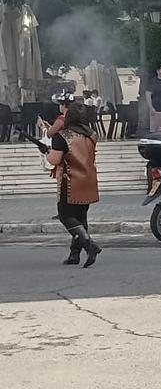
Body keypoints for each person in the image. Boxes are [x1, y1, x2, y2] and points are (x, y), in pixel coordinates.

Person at [44, 102, 102, 267]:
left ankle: (90, 245)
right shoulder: (92, 134)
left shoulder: (62, 136)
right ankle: (74, 255)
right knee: (80, 217)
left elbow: (54, 160)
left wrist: (47, 153)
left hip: (69, 182)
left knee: (65, 215)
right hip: (88, 179)